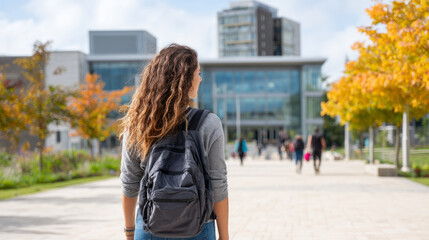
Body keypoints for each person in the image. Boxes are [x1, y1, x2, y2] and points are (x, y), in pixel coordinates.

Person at [119, 44, 229, 240]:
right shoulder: (208, 123)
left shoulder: (138, 124)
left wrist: (129, 231)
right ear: (186, 80)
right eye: (198, 73)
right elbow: (218, 183)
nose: (200, 78)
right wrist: (224, 235)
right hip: (198, 227)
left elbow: (129, 182)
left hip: (149, 225)